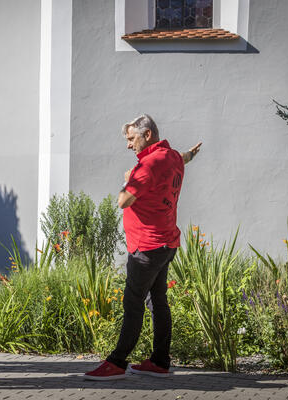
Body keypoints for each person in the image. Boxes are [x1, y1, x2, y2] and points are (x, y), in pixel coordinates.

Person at [84, 114, 202, 380]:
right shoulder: (170, 156)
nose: (128, 145)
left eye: (131, 139)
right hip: (166, 242)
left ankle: (116, 363)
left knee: (133, 302)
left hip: (147, 247)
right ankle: (160, 362)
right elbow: (182, 158)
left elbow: (123, 201)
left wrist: (127, 178)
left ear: (147, 135)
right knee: (158, 301)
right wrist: (191, 155)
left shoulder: (146, 166)